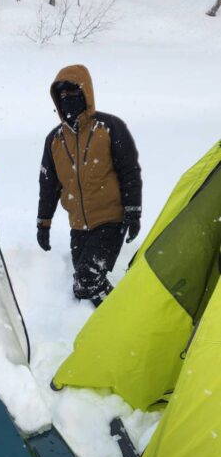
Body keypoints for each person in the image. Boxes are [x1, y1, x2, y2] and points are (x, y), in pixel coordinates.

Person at [37, 64, 142, 307]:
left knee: (87, 281)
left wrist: (133, 211)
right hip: (78, 226)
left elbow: (129, 172)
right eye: (61, 96)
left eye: (73, 93)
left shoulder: (109, 127)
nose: (67, 100)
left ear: (85, 93)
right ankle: (116, 322)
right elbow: (48, 184)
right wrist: (44, 223)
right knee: (84, 289)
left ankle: (125, 315)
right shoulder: (54, 139)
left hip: (110, 220)